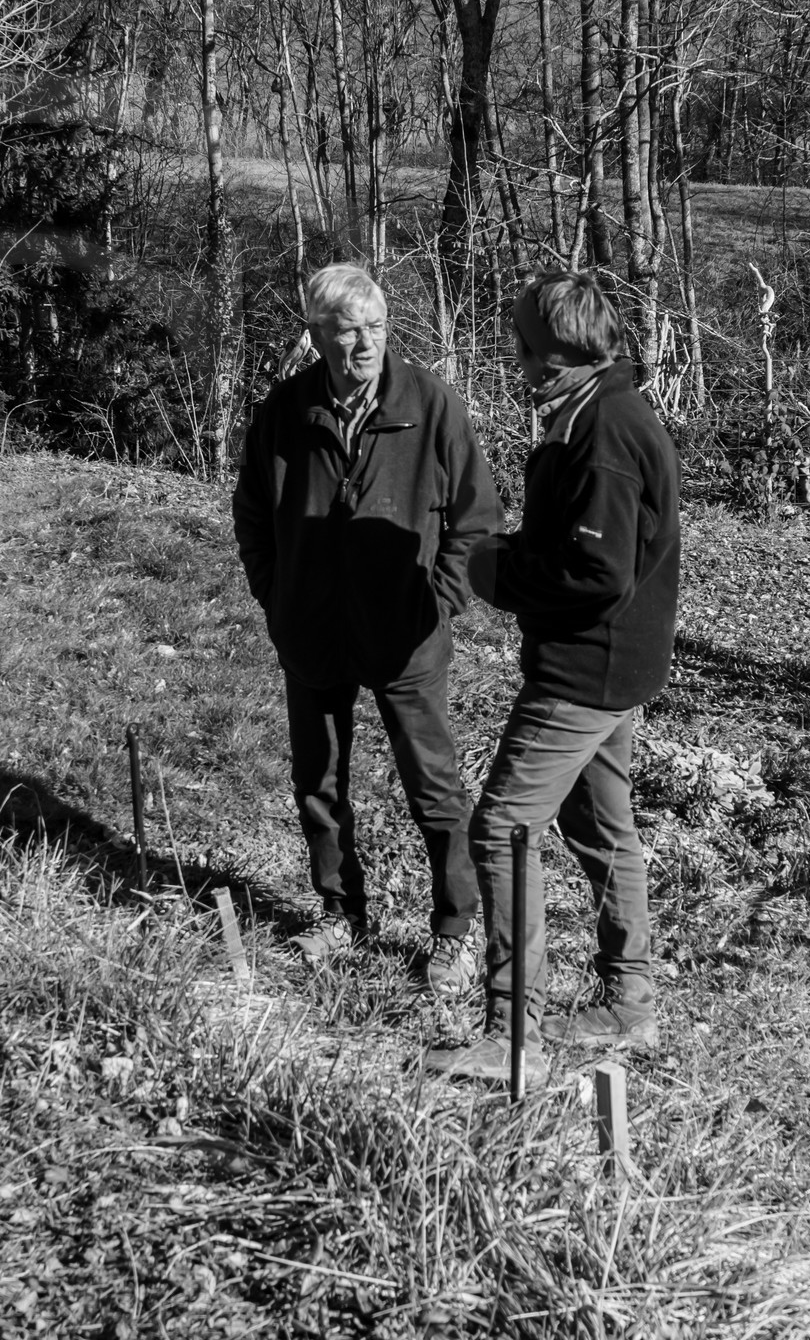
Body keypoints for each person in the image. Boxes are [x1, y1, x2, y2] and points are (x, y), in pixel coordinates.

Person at [428, 270, 680, 1082]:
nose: (520, 363)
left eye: (529, 350)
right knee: (602, 826)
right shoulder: (600, 410)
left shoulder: (603, 431)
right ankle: (630, 1005)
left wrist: (497, 572)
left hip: (585, 670)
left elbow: (595, 573)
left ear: (564, 353)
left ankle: (513, 1040)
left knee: (502, 829)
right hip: (616, 666)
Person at [233, 263, 501, 992]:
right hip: (312, 629)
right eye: (347, 331)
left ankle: (453, 931)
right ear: (316, 336)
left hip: (406, 633)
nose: (364, 345)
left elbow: (477, 521)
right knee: (316, 780)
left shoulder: (430, 405)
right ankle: (340, 911)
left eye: (375, 329)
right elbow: (253, 514)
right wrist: (276, 593)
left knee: (435, 786)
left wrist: (437, 601)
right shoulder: (285, 411)